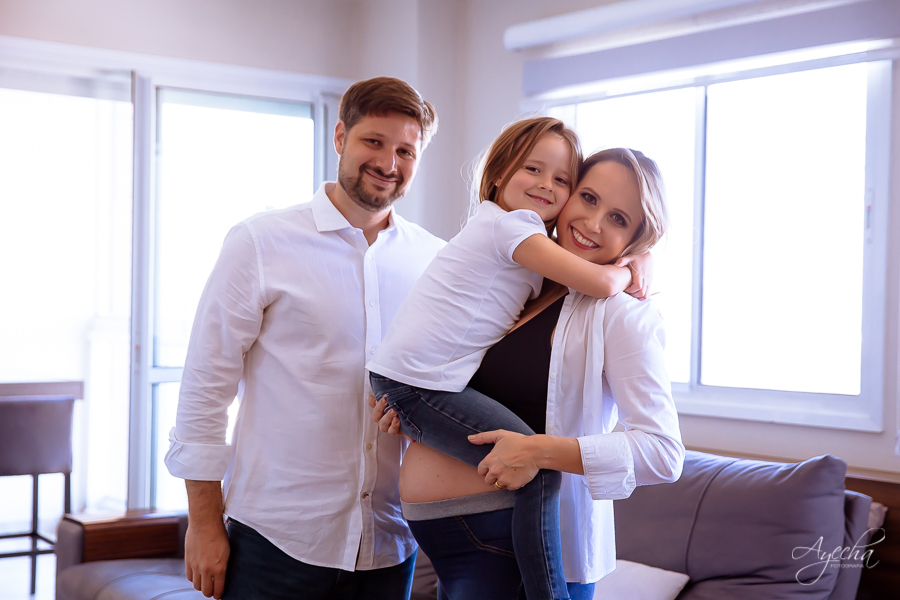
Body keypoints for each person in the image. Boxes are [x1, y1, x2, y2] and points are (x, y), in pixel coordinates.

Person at [164, 76, 446, 600]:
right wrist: (203, 525)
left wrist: (625, 262)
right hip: (275, 541)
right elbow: (205, 389)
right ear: (340, 136)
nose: (388, 163)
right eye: (374, 142)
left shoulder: (434, 260)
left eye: (406, 150)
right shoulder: (260, 242)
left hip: (389, 545)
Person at [372, 148, 684, 600]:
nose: (594, 223)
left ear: (638, 236)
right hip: (457, 559)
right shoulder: (521, 281)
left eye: (618, 219)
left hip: (527, 567)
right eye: (589, 198)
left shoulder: (622, 316)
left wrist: (539, 452)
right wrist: (414, 421)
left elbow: (662, 452)